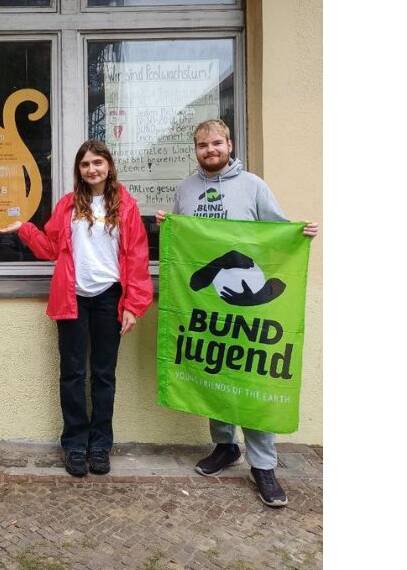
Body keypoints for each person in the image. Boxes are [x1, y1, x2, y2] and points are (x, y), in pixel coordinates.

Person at [155, 118, 319, 507]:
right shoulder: (186, 189)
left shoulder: (254, 186)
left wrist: (298, 233)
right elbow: (184, 242)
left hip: (250, 305)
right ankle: (225, 446)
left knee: (251, 376)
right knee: (213, 369)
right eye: (202, 145)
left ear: (229, 144)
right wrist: (168, 225)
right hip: (208, 303)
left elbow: (276, 231)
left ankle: (263, 464)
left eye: (216, 143)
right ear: (195, 150)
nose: (210, 150)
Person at [0, 139, 152, 477]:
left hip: (109, 298)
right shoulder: (68, 205)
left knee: (103, 375)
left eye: (97, 162)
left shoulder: (125, 206)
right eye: (85, 164)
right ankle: (74, 444)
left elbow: (138, 259)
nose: (91, 169)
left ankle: (100, 445)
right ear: (78, 170)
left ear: (108, 166)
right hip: (73, 297)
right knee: (72, 374)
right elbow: (51, 247)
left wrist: (133, 305)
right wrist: (24, 229)